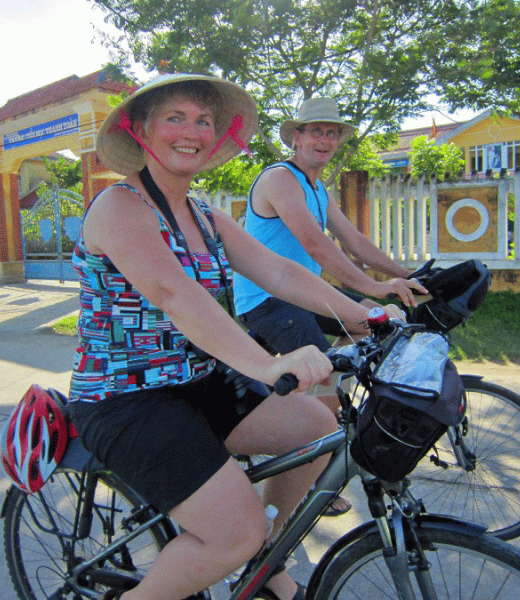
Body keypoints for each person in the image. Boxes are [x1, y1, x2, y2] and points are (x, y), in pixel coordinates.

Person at [68, 73, 375, 600]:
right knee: (232, 534)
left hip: (198, 382)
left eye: (204, 120)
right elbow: (172, 294)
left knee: (316, 427)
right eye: (176, 118)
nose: (193, 130)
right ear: (140, 130)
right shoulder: (119, 207)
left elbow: (278, 271)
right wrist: (263, 363)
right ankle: (231, 554)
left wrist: (368, 316)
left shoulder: (205, 213)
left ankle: (264, 564)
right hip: (125, 400)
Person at [233, 96, 425, 357]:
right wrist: (375, 286)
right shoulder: (280, 178)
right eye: (316, 132)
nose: (324, 140)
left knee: (378, 326)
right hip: (267, 298)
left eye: (331, 134)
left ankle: (329, 384)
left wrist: (408, 275)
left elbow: (354, 241)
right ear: (297, 138)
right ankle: (322, 391)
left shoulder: (318, 189)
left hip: (304, 291)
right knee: (324, 378)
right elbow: (316, 246)